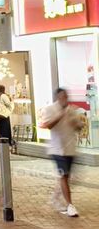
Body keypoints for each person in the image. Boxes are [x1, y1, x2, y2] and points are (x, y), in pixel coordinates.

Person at [40, 88, 81, 218]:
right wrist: (61, 115)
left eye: (66, 96)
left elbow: (79, 127)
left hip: (70, 149)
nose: (65, 99)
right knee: (64, 175)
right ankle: (70, 206)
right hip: (57, 149)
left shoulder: (71, 110)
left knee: (67, 177)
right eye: (63, 97)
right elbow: (48, 125)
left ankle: (56, 197)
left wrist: (75, 123)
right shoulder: (50, 109)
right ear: (58, 97)